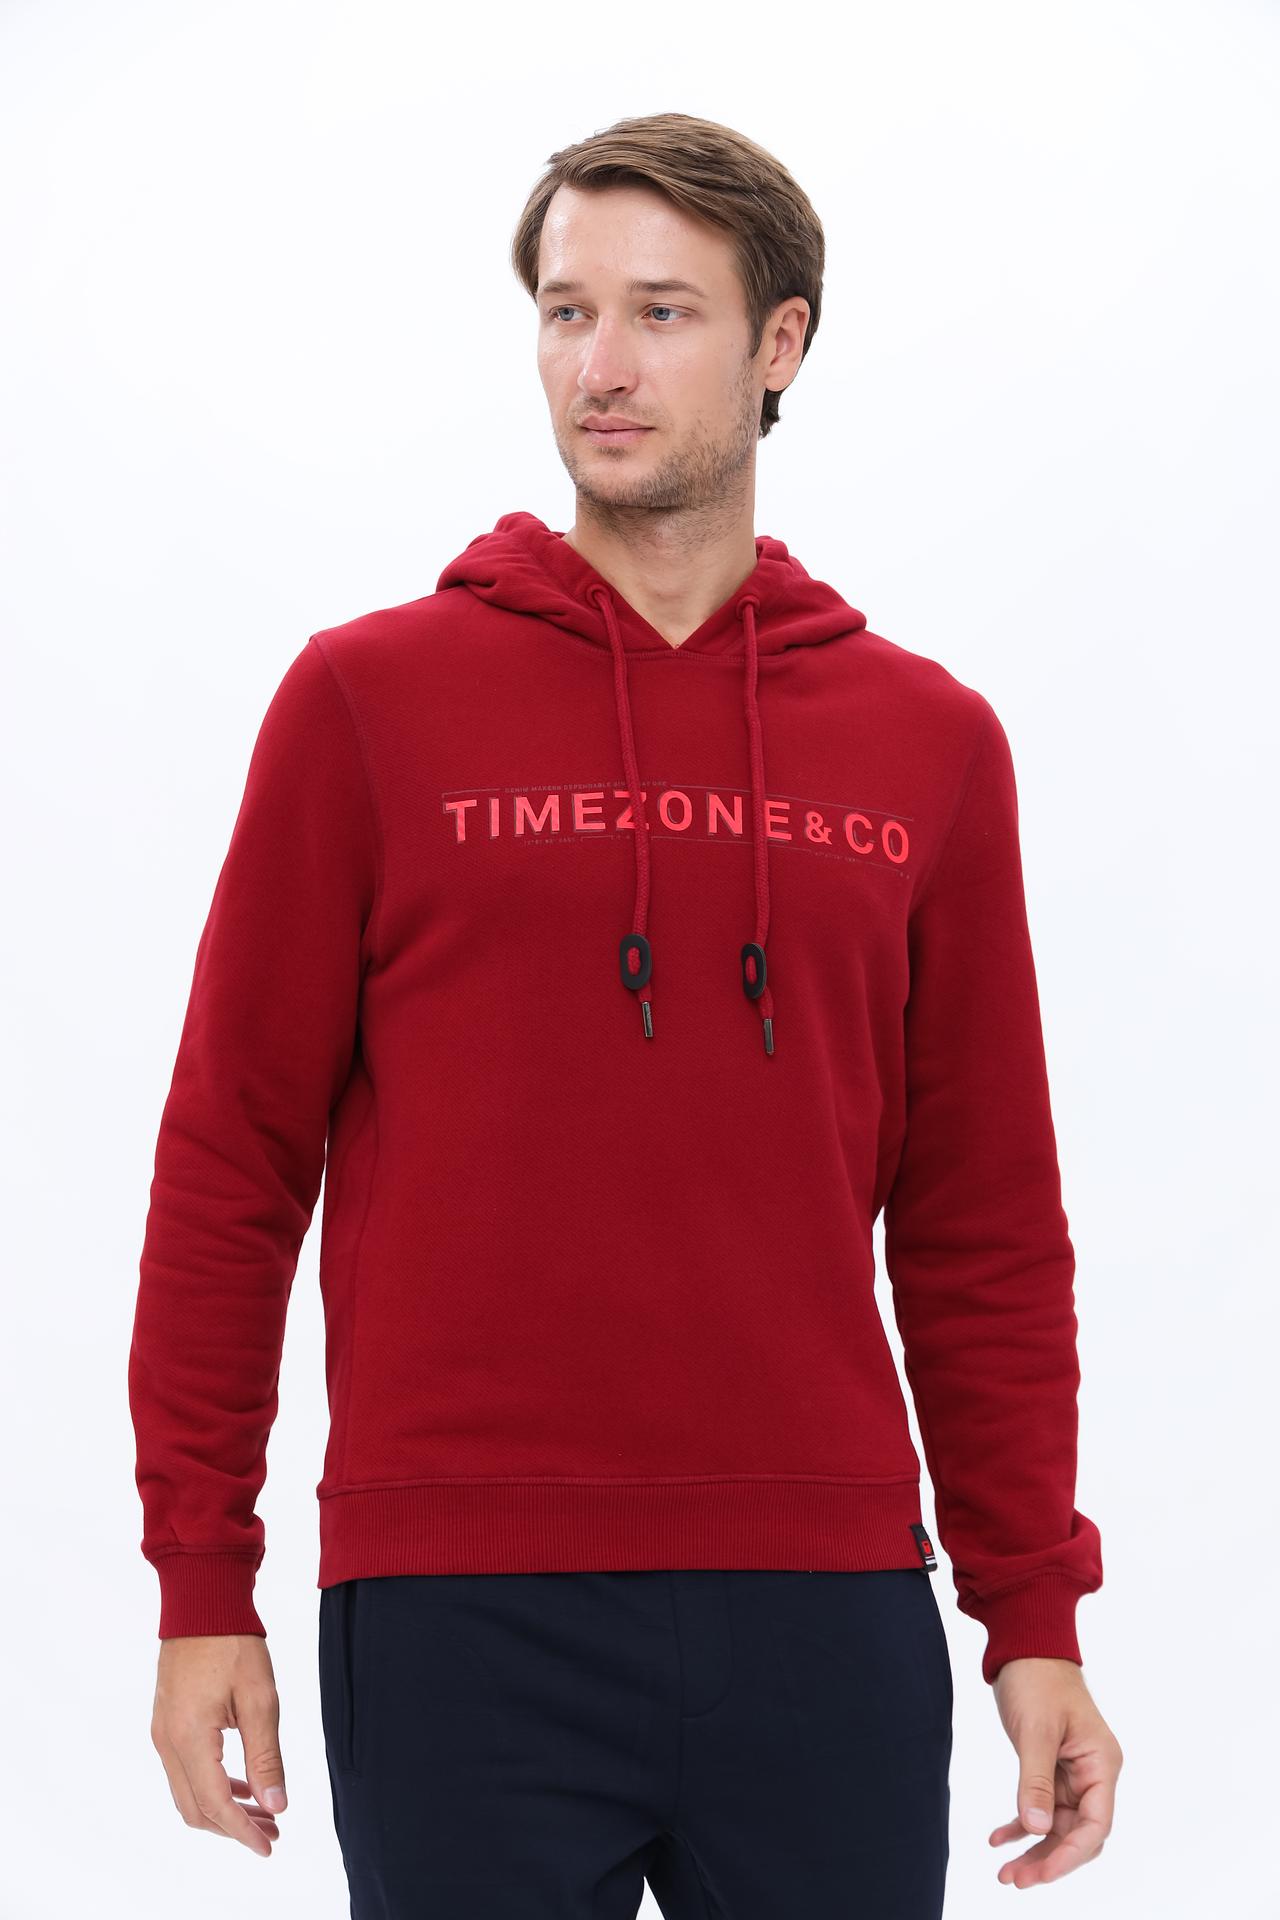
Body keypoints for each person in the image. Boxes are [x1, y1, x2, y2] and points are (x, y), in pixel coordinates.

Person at [129, 110, 1122, 1916]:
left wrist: (1032, 1611)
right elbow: (232, 1162)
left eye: (663, 312)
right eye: (568, 310)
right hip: (457, 1601)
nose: (602, 364)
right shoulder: (368, 703)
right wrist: (202, 1580)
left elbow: (981, 1219)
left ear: (780, 344)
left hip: (825, 1592)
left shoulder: (927, 744)